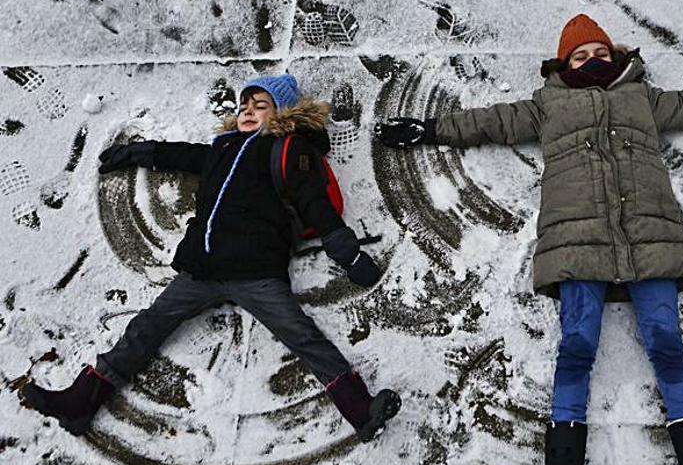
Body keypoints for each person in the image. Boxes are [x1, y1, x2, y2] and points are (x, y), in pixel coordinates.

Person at [376, 14, 683, 465]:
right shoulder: (547, 106)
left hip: (650, 236)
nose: (593, 60)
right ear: (564, 64)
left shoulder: (642, 97)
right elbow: (490, 122)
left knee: (666, 341)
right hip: (576, 241)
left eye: (600, 53)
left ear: (615, 55)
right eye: (581, 55)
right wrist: (430, 129)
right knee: (577, 343)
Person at [22, 73, 400, 443]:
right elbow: (188, 155)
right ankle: (80, 402)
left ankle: (360, 409)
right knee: (148, 325)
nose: (248, 111)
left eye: (261, 105)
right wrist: (141, 152)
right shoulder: (224, 149)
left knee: (302, 336)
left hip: (257, 274)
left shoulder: (288, 150)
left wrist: (348, 256)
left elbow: (315, 204)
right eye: (244, 106)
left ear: (283, 112)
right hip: (202, 270)